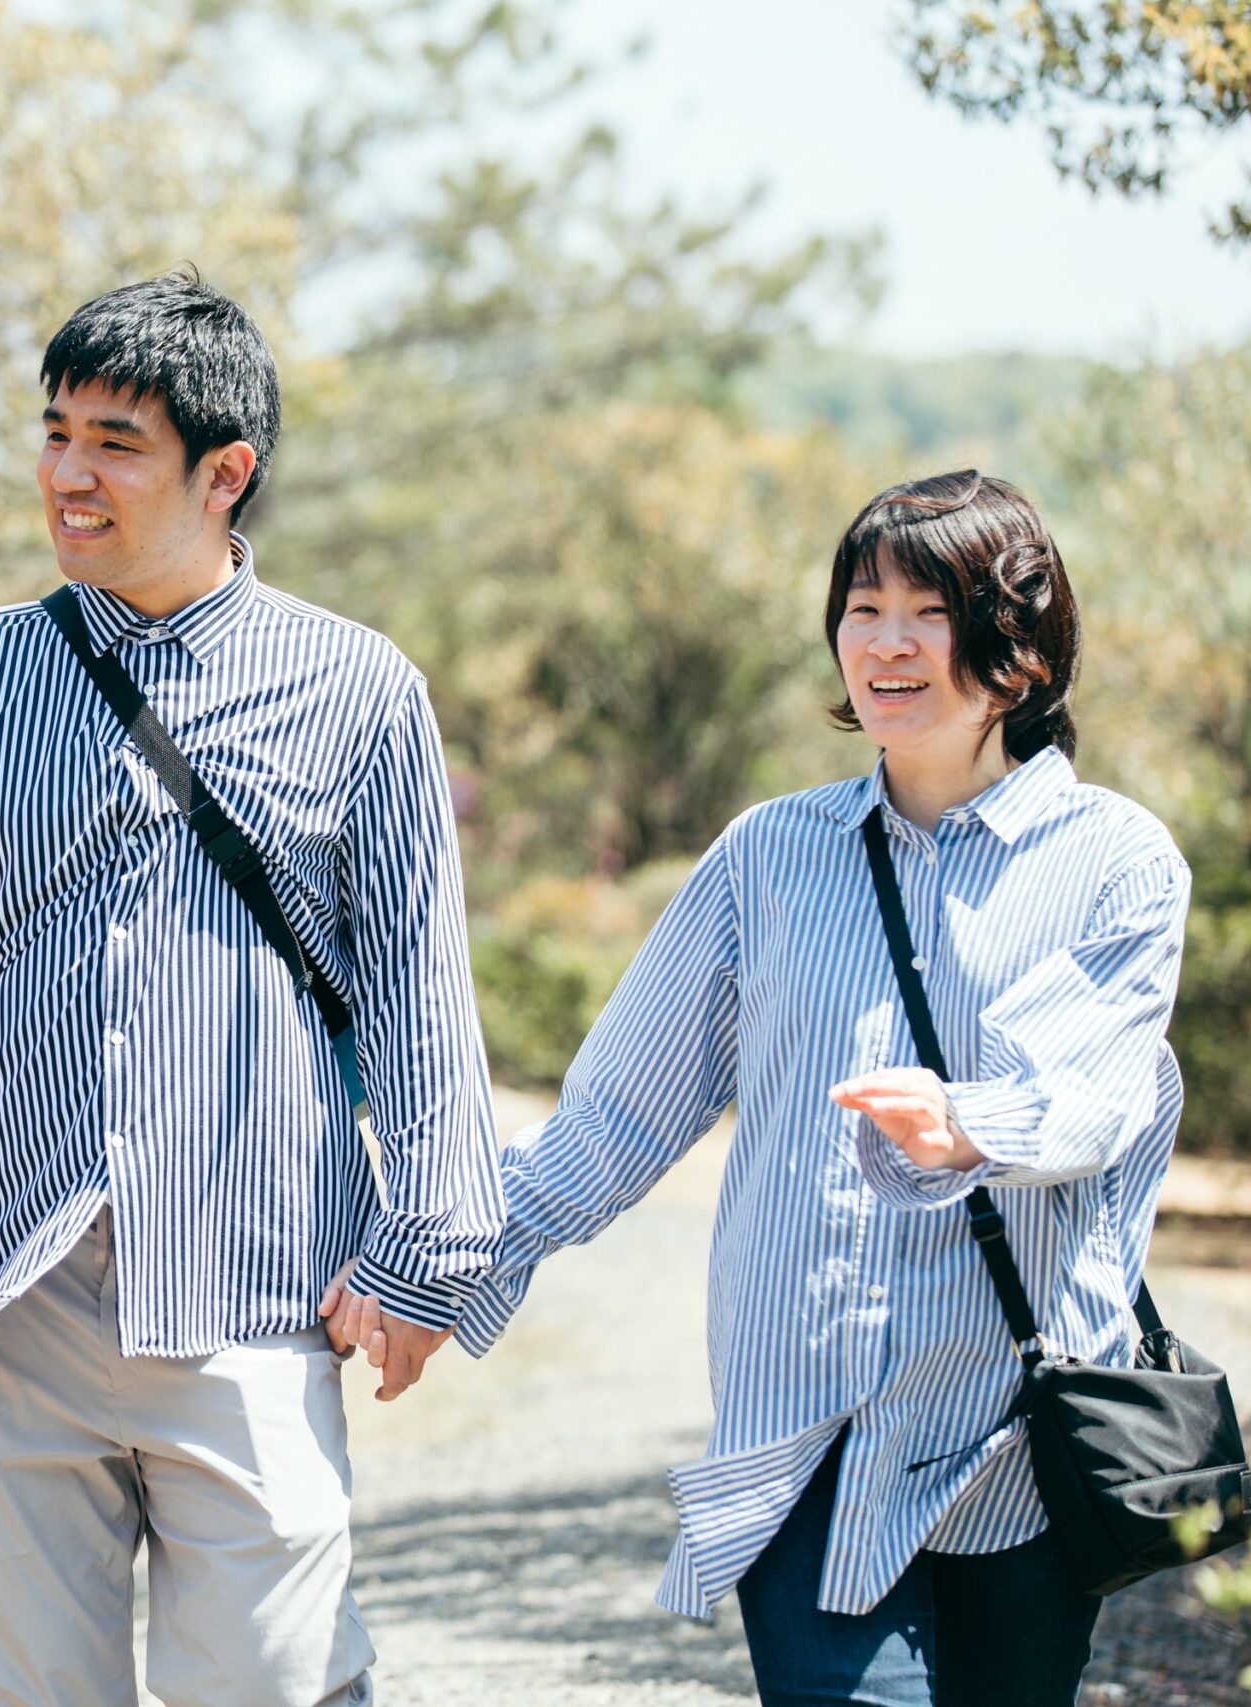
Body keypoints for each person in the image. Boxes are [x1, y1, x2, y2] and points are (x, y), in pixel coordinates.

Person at [0, 269, 502, 1707]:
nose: (68, 475)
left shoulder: (358, 691)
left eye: (114, 442)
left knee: (276, 1684)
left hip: (256, 1284)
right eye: (54, 433)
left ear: (228, 474)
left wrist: (431, 1246)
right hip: (5, 1293)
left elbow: (421, 999)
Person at [331, 470, 1187, 1705]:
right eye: (860, 608)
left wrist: (963, 1128)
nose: (883, 643)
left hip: (1015, 1448)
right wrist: (437, 1267)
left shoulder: (1119, 865)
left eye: (925, 611)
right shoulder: (767, 859)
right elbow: (618, 1117)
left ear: (1017, 651)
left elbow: (1095, 1096)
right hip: (808, 1437)